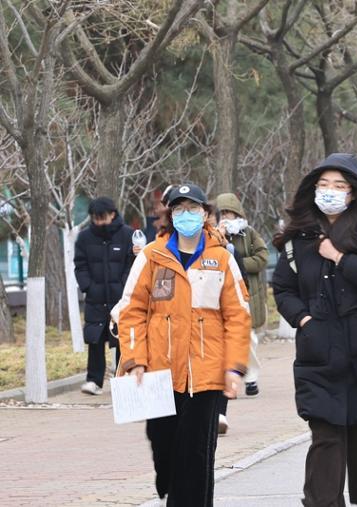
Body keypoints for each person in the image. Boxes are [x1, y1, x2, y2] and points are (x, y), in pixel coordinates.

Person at [271, 153, 357, 507]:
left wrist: (339, 257)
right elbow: (283, 289)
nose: (330, 192)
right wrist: (303, 320)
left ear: (352, 192)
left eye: (339, 186)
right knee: (325, 437)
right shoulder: (296, 239)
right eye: (323, 185)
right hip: (320, 354)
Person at [111, 183, 252, 505]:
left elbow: (238, 317)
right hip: (160, 373)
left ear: (206, 214)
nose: (185, 215)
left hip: (206, 375)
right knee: (163, 447)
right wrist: (136, 359)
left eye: (192, 209)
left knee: (195, 455)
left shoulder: (221, 259)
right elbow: (131, 310)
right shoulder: (151, 256)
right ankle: (170, 485)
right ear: (170, 215)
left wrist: (234, 367)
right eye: (178, 209)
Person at [214, 193, 269, 435]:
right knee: (236, 342)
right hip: (225, 295)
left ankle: (252, 378)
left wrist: (237, 262)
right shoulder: (216, 235)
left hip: (251, 293)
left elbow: (262, 258)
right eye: (223, 214)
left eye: (230, 213)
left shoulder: (250, 234)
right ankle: (237, 378)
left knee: (250, 341)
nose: (227, 218)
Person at [74, 197, 136, 395]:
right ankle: (94, 381)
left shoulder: (128, 234)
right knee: (95, 339)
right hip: (95, 298)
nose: (98, 222)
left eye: (102, 218)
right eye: (95, 218)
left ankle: (122, 380)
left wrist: (125, 289)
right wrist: (88, 287)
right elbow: (80, 264)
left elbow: (131, 263)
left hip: (122, 299)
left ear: (112, 214)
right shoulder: (84, 237)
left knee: (122, 339)